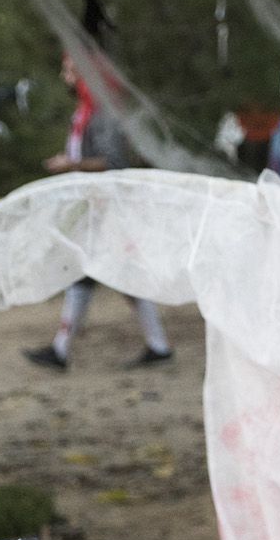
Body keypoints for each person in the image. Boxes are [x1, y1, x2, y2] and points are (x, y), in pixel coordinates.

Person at [24, 53, 173, 372]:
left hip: (108, 213)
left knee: (103, 276)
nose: (64, 74)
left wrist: (72, 164)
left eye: (69, 69)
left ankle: (62, 350)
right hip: (94, 211)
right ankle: (154, 345)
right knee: (101, 276)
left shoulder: (102, 115)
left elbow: (113, 162)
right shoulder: (86, 113)